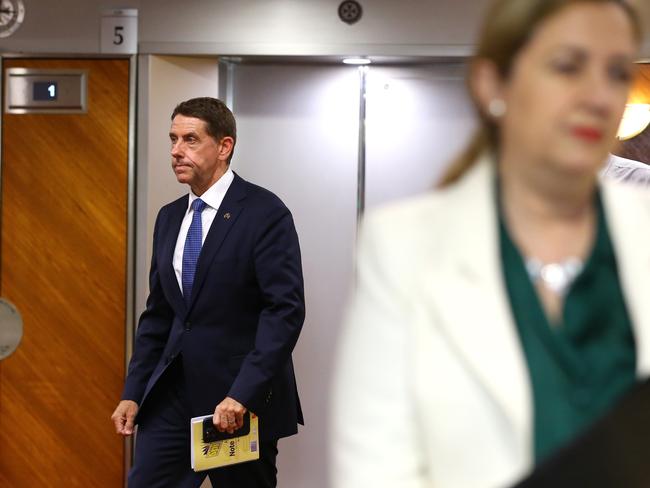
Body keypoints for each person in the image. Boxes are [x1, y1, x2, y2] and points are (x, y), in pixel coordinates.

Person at [330, 1, 650, 487]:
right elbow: (376, 467)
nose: (599, 95)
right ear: (493, 84)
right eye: (567, 66)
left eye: (615, 72)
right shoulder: (406, 245)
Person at [111, 97, 305, 487]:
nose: (176, 151)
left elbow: (283, 312)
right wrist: (134, 391)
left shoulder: (265, 213)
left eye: (190, 140)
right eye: (173, 139)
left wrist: (243, 393)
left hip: (235, 403)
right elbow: (160, 314)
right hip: (172, 398)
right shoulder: (169, 218)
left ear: (224, 146)